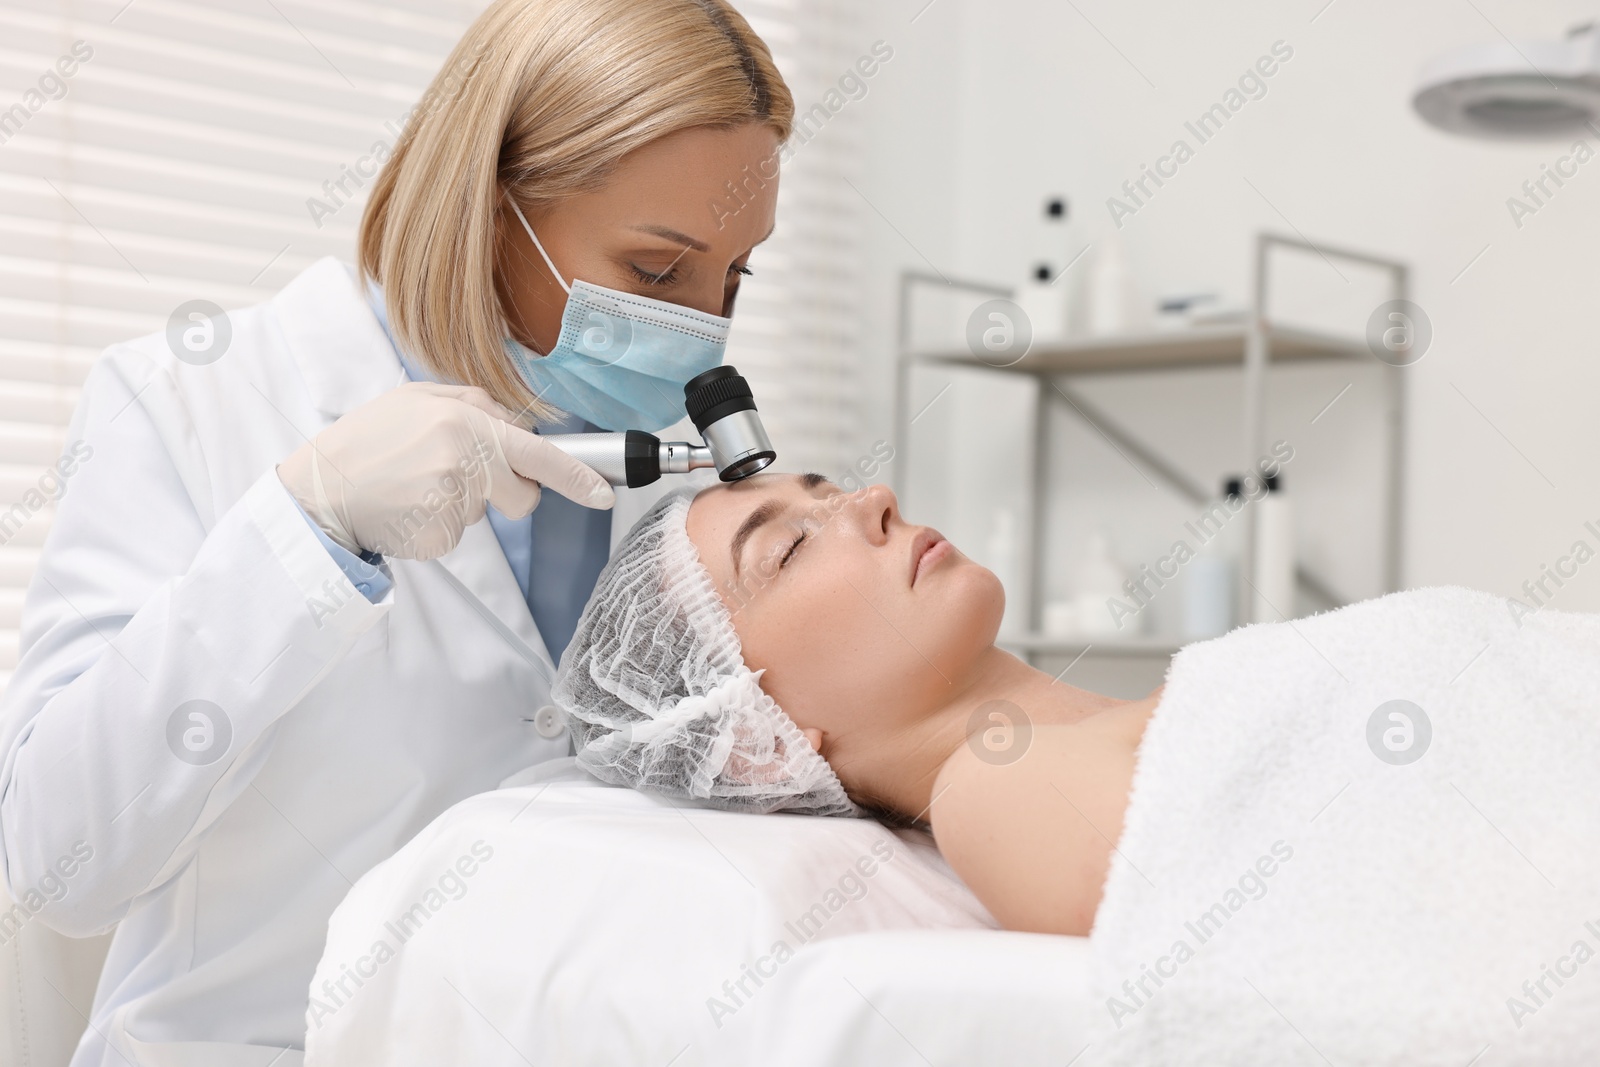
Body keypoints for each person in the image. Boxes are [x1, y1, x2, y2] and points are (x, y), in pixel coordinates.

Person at [0, 2, 791, 1063]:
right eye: (657, 273)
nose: (702, 331)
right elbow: (62, 857)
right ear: (488, 205)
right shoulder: (192, 401)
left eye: (732, 278)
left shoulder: (679, 479)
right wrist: (306, 531)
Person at [554, 473, 1165, 939]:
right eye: (792, 546)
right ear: (754, 745)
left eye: (835, 489)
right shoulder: (991, 792)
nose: (877, 496)